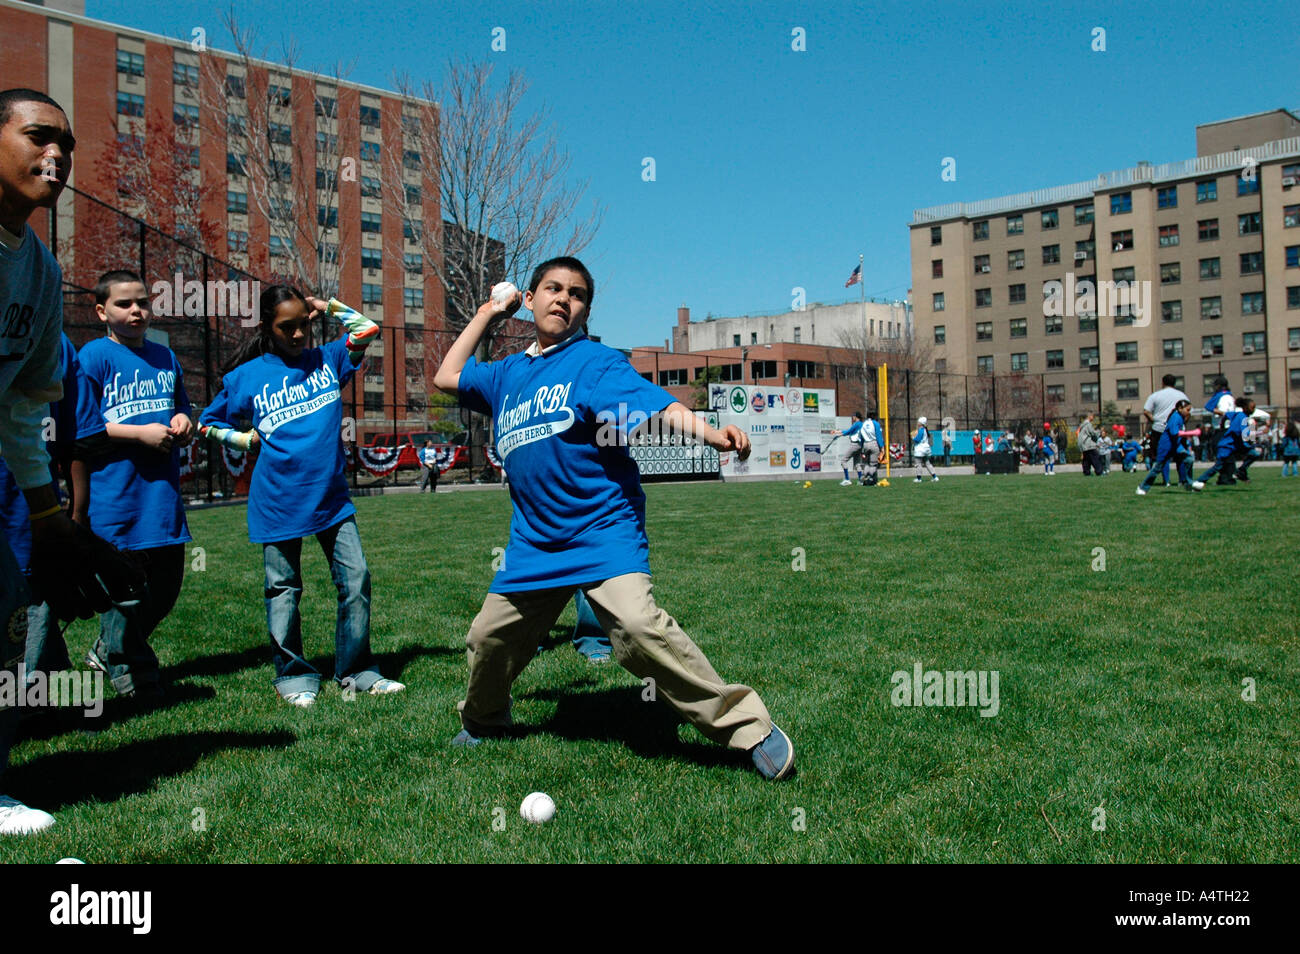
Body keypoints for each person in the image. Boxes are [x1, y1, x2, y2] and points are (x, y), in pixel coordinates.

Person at [432, 256, 794, 780]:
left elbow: (656, 407)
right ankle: (485, 722)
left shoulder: (594, 364)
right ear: (528, 300)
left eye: (576, 294)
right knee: (487, 638)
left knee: (638, 627)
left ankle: (749, 729)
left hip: (603, 530)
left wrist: (712, 433)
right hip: (535, 544)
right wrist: (490, 311)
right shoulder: (506, 374)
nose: (563, 298)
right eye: (552, 289)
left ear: (584, 311)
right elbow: (446, 375)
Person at [0, 88, 143, 835]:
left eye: (67, 143)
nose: (55, 155)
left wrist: (49, 514)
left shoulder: (42, 272)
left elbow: (23, 407)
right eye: (36, 136)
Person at [199, 286, 404, 707]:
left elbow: (366, 329)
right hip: (277, 503)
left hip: (332, 501)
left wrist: (325, 306)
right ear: (267, 328)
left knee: (356, 579)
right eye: (285, 327)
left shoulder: (328, 359)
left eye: (301, 326)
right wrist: (243, 439)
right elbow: (206, 424)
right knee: (283, 589)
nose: (296, 336)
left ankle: (356, 669)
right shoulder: (246, 377)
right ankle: (292, 675)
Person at [68, 271, 193, 699]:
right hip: (116, 496)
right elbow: (84, 427)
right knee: (126, 594)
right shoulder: (93, 357)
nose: (136, 310)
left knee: (165, 589)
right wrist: (139, 434)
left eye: (142, 301)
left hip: (162, 497)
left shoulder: (164, 356)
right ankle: (132, 675)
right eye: (124, 304)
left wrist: (182, 421)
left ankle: (108, 650)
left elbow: (181, 405)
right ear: (102, 311)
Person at [1192, 397, 1258, 489]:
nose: (1253, 410)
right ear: (1245, 408)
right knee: (1218, 466)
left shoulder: (1237, 415)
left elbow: (1226, 415)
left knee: (1254, 454)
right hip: (1227, 446)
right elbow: (1245, 436)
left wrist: (1222, 425)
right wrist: (1254, 434)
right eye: (1252, 407)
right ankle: (1199, 481)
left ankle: (1241, 472)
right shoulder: (1243, 418)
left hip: (1234, 446)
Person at [1136, 400, 1199, 494]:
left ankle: (1188, 484)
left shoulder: (1181, 417)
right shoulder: (1175, 417)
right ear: (1180, 408)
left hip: (1176, 446)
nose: (1188, 412)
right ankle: (1142, 487)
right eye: (1187, 409)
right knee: (1158, 468)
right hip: (1166, 446)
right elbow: (1174, 433)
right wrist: (1192, 433)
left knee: (1189, 459)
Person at [1142, 374, 1189, 486]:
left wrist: (1154, 420)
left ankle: (1166, 480)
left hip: (1159, 428)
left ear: (1163, 383)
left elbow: (1146, 411)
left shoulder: (1155, 395)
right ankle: (1182, 480)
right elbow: (1188, 412)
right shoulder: (1182, 395)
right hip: (1177, 429)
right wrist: (1182, 423)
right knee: (1180, 455)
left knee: (1163, 456)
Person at [837, 411, 866, 486]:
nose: (852, 417)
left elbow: (849, 431)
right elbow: (850, 431)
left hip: (854, 445)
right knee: (857, 464)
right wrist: (838, 432)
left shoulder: (857, 424)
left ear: (856, 417)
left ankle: (847, 479)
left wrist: (839, 434)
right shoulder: (861, 424)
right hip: (859, 446)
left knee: (843, 461)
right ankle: (861, 481)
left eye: (853, 416)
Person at [859, 408, 885, 485]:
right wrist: (882, 447)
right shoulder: (875, 424)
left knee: (867, 464)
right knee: (873, 464)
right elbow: (878, 436)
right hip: (874, 444)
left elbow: (861, 437)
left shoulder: (863, 424)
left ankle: (863, 477)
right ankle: (870, 478)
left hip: (866, 444)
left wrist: (862, 448)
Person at [912, 415, 937, 482]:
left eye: (918, 422)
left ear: (921, 423)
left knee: (918, 464)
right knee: (927, 463)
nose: (917, 423)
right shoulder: (925, 430)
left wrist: (913, 437)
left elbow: (917, 439)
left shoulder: (921, 430)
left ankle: (918, 478)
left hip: (920, 449)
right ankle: (935, 477)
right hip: (926, 449)